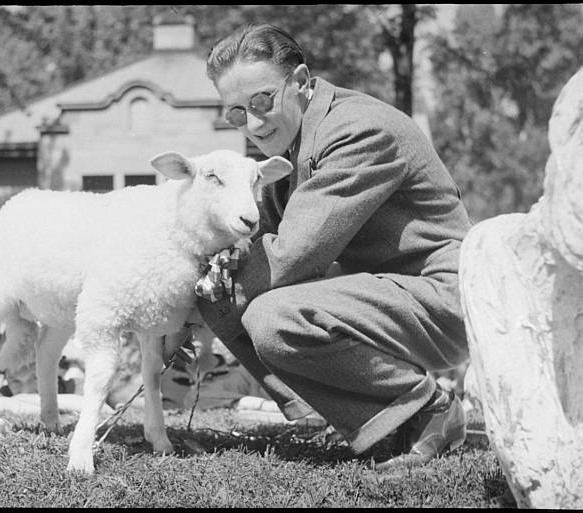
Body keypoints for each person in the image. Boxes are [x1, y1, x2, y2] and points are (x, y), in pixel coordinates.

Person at [197, 24, 473, 469]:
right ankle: (336, 417)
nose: (251, 123)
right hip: (381, 295)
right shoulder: (291, 146)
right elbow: (253, 240)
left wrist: (202, 277)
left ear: (302, 82)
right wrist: (196, 273)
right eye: (234, 113)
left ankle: (428, 411)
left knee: (269, 313)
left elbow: (293, 255)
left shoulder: (359, 131)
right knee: (218, 291)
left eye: (261, 101)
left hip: (444, 299)